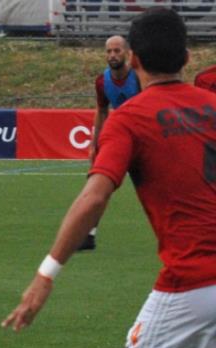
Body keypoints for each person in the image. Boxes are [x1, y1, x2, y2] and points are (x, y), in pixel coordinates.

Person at [3, 9, 213, 348]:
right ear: (187, 57)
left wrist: (45, 275)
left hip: (191, 282)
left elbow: (94, 196)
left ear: (134, 59)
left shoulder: (130, 118)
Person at [84, 35, 141, 251]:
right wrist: (94, 144)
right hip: (119, 138)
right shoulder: (102, 81)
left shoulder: (138, 78)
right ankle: (89, 234)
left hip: (143, 138)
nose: (112, 55)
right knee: (99, 184)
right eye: (109, 51)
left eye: (117, 51)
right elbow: (101, 111)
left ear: (127, 53)